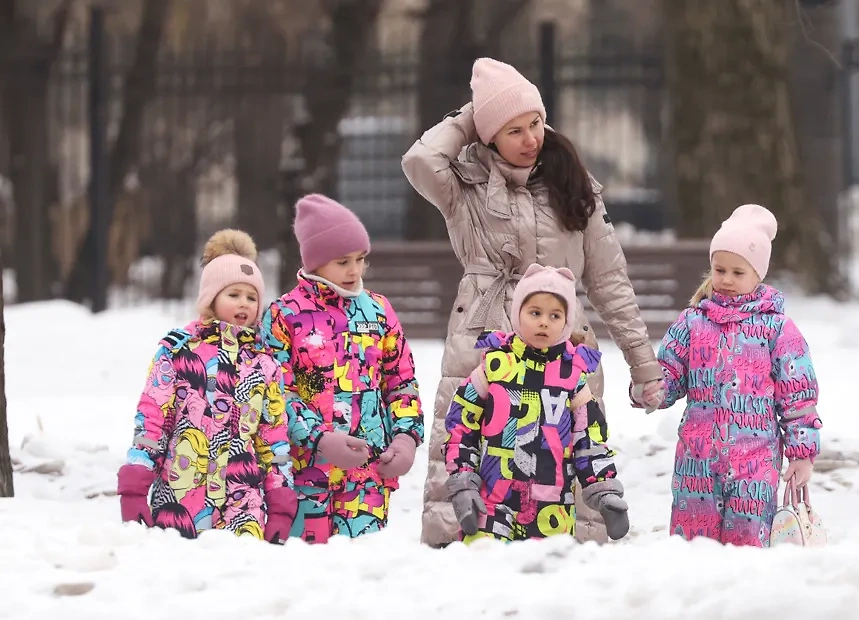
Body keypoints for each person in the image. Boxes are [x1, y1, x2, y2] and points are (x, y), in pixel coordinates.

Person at [402, 57, 665, 547]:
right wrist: (473, 114)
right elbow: (419, 162)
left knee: (572, 439)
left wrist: (643, 365)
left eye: (536, 123)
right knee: (469, 436)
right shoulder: (466, 187)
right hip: (483, 331)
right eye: (513, 129)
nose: (530, 139)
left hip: (563, 335)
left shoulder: (574, 186)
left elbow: (610, 281)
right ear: (487, 137)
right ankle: (465, 533)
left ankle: (576, 543)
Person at [631, 204, 822, 547]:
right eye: (720, 270)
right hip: (697, 458)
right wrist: (651, 389)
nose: (727, 280)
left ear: (758, 275)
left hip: (756, 459)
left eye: (738, 272)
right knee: (693, 542)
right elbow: (670, 374)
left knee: (747, 543)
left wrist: (802, 453)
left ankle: (745, 597)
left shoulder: (777, 328)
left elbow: (798, 395)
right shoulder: (692, 322)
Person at [261, 194, 425, 543]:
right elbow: (278, 391)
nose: (354, 270)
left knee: (362, 568)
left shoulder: (378, 311)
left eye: (360, 259)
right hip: (308, 472)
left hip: (368, 474)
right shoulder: (285, 315)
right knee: (312, 570)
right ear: (316, 262)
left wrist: (406, 437)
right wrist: (318, 438)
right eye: (342, 261)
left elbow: (401, 381)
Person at [116, 229, 296, 542]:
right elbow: (153, 419)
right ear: (211, 298)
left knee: (240, 572)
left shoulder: (264, 363)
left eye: (252, 297)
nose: (244, 303)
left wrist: (280, 502)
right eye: (234, 294)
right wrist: (135, 482)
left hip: (242, 500)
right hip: (181, 495)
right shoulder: (178, 351)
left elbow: (273, 437)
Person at [444, 264, 630, 543]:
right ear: (517, 314)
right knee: (485, 569)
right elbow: (462, 424)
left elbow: (588, 439)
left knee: (545, 575)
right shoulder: (494, 367)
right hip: (494, 501)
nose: (544, 322)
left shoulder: (572, 379)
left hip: (551, 509)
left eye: (555, 315)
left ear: (566, 323)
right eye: (535, 313)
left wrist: (604, 489)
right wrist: (463, 480)